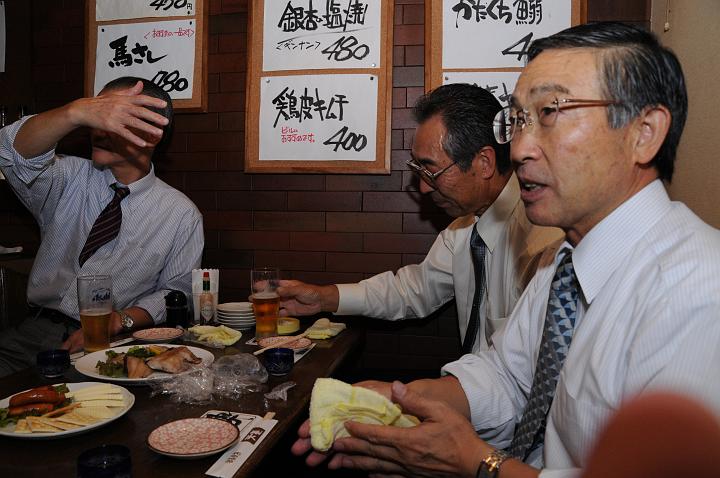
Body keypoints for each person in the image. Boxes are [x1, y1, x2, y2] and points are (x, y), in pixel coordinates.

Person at [291, 22, 720, 477]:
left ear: (644, 132)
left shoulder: (698, 289)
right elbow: (506, 375)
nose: (518, 149)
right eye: (517, 121)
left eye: (551, 112)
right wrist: (399, 401)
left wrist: (476, 463)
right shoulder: (564, 263)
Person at [279, 83, 560, 354]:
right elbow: (412, 290)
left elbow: (528, 364)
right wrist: (323, 298)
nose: (424, 187)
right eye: (418, 169)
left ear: (484, 163)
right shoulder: (464, 229)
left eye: (431, 170)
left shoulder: (542, 240)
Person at [0, 76, 204, 376]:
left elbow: (177, 291)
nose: (98, 130)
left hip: (108, 344)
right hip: (31, 334)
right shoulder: (68, 175)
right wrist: (75, 112)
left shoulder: (180, 213)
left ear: (152, 134)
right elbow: (11, 152)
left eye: (115, 117)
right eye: (98, 115)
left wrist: (120, 320)